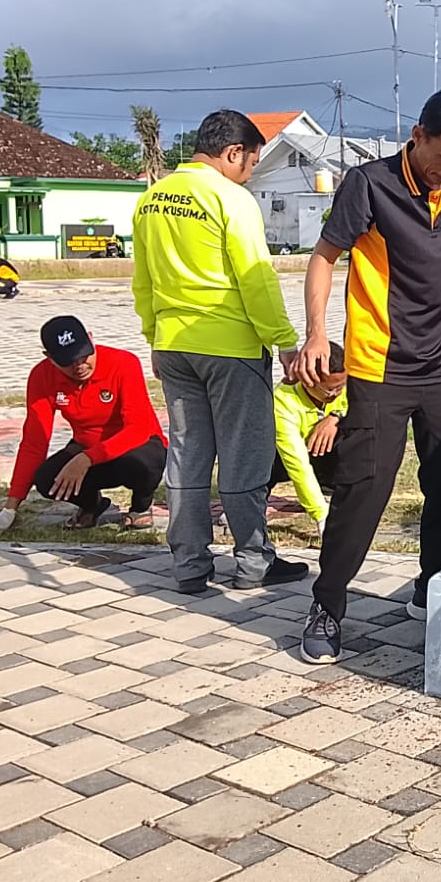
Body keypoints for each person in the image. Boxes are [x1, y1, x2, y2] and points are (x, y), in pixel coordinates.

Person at [295, 84, 441, 664]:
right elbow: (324, 257)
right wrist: (318, 332)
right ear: (416, 136)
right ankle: (327, 604)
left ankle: (433, 586)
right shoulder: (369, 185)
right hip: (379, 366)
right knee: (364, 488)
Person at [132, 109, 305, 594]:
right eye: (250, 163)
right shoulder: (229, 198)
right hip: (230, 348)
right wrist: (284, 342)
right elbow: (256, 278)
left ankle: (189, 565)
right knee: (243, 455)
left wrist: (154, 336)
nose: (249, 174)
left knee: (187, 455)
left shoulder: (151, 199)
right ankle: (252, 562)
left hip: (173, 346)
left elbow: (142, 281)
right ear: (232, 154)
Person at [0, 316, 167, 532]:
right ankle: (92, 505)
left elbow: (137, 428)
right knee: (46, 479)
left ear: (91, 340)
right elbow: (34, 441)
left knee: (144, 464)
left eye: (84, 355)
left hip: (135, 445)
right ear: (50, 358)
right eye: (69, 361)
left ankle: (141, 505)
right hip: (86, 444)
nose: (80, 365)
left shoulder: (124, 362)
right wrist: (11, 507)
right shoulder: (41, 376)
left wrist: (87, 458)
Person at [270, 340, 348, 535]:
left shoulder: (341, 387)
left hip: (318, 450)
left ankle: (331, 488)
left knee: (354, 432)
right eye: (329, 390)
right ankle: (248, 502)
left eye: (340, 387)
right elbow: (298, 465)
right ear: (307, 379)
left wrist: (334, 417)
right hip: (280, 458)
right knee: (264, 459)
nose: (335, 394)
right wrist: (321, 515)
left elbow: (355, 404)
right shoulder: (282, 403)